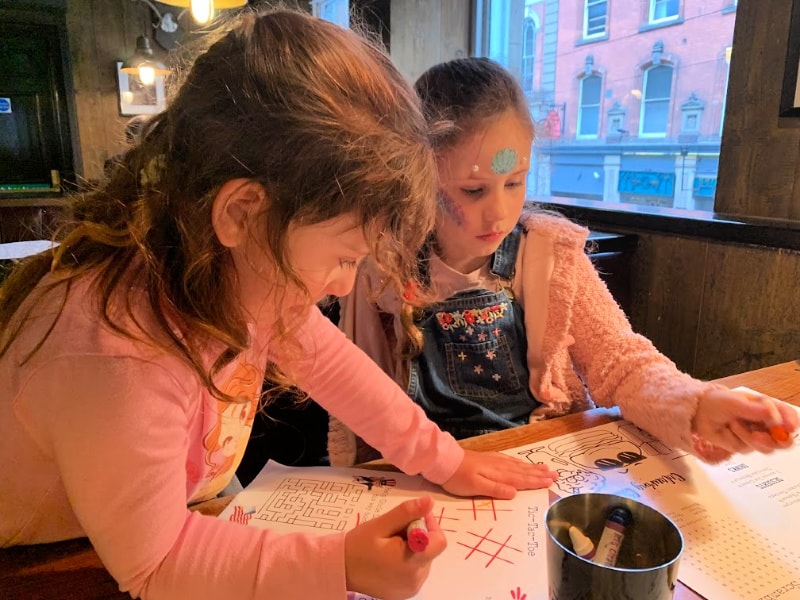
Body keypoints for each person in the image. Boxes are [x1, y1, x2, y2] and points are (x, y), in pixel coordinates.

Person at [0, 14, 557, 600]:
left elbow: (338, 370)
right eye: (344, 258)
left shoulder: (241, 271)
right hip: (44, 564)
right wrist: (337, 565)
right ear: (241, 213)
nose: (345, 287)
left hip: (165, 518)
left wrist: (446, 460)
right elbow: (157, 563)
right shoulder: (114, 349)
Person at [328, 56, 798, 468]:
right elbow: (361, 409)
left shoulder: (551, 254)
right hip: (434, 472)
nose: (499, 212)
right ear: (418, 178)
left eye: (515, 182)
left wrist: (698, 404)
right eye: (473, 191)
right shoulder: (379, 268)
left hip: (543, 460)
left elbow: (622, 362)